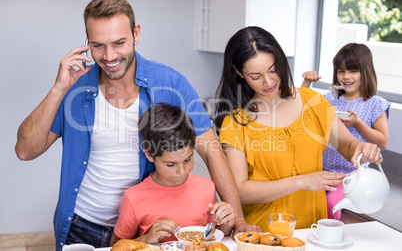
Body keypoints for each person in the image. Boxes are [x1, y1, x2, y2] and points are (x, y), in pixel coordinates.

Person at [14, 0, 258, 250]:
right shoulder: (76, 87)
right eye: (98, 45)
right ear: (88, 42)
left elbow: (211, 152)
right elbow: (25, 151)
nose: (109, 56)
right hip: (80, 227)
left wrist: (238, 220)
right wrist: (59, 88)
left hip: (144, 230)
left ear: (136, 34)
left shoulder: (170, 83)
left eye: (119, 42)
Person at [214, 26, 384, 231]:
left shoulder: (312, 101)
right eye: (255, 76)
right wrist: (301, 182)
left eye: (272, 70)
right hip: (264, 233)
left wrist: (362, 148)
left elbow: (348, 144)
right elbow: (240, 190)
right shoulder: (236, 122)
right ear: (239, 72)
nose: (268, 82)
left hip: (312, 230)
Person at [109, 103, 235, 245]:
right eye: (171, 164)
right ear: (150, 155)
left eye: (187, 159)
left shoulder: (207, 187)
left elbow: (213, 236)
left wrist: (228, 222)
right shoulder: (134, 198)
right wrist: (146, 238)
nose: (182, 171)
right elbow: (115, 246)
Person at [301, 43, 390, 220]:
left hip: (351, 174)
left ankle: (331, 235)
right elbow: (302, 107)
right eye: (341, 71)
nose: (345, 76)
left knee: (332, 203)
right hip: (322, 170)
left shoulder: (375, 103)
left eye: (353, 71)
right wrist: (307, 82)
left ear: (366, 72)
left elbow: (382, 142)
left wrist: (358, 123)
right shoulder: (329, 100)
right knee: (305, 202)